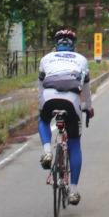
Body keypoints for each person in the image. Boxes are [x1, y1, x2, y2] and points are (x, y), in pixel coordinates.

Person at [37, 30, 94, 205]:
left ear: (55, 46)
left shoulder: (46, 58)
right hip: (71, 98)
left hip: (48, 96)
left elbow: (40, 84)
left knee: (44, 120)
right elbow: (86, 88)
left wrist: (41, 104)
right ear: (74, 46)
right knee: (75, 145)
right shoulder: (81, 59)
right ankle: (73, 191)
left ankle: (47, 151)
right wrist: (89, 108)